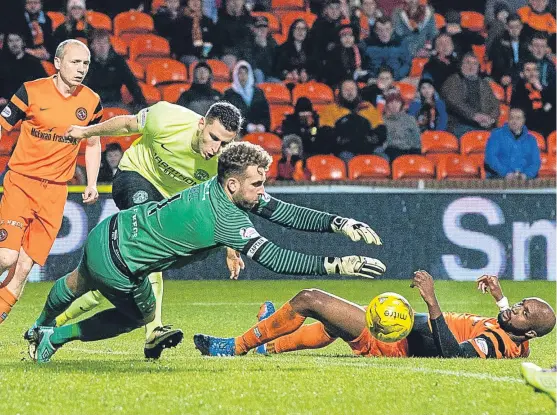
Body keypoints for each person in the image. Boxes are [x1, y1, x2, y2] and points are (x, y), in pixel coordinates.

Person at [25, 141, 386, 363]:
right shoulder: (225, 217)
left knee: (74, 283)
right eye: (258, 183)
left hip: (109, 230)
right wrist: (338, 264)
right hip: (120, 268)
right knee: (138, 316)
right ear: (234, 183)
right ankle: (55, 337)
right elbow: (277, 258)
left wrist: (339, 224)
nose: (263, 191)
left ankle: (39, 325)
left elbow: (284, 212)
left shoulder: (218, 187)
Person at [56, 100, 244, 359]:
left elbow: (225, 204)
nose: (216, 149)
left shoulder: (223, 163)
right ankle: (154, 330)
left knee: (126, 272)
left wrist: (231, 248)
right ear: (201, 123)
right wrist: (85, 132)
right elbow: (126, 124)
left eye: (225, 144)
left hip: (168, 204)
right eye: (213, 138)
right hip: (134, 177)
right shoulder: (167, 117)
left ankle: (55, 323)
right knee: (148, 243)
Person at [193, 271, 556, 358]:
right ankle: (266, 344)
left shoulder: (496, 343)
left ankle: (234, 346)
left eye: (523, 313)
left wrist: (432, 302)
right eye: (521, 304)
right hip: (405, 328)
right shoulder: (516, 331)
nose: (515, 311)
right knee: (332, 322)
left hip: (393, 340)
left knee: (310, 298)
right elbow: (511, 319)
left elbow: (455, 353)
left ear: (532, 334)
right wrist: (500, 298)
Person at [0, 39, 102, 324]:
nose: (81, 69)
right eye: (75, 62)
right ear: (57, 63)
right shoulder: (31, 91)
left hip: (56, 193)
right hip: (21, 182)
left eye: (85, 64)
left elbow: (92, 142)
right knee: (6, 257)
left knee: (21, 271)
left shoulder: (91, 101)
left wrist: (91, 181)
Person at [85, 29, 146, 110]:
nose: (102, 46)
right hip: (94, 105)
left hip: (115, 102)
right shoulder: (86, 63)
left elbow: (132, 83)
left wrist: (141, 103)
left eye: (105, 42)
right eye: (98, 43)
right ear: (92, 46)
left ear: (109, 44)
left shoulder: (118, 61)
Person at [441, 53, 500, 137]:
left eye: (475, 63)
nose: (471, 66)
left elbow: (495, 105)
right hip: (461, 125)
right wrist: (474, 115)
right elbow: (455, 102)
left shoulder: (484, 84)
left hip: (485, 125)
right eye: (468, 63)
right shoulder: (453, 80)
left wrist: (490, 119)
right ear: (461, 65)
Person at [485, 107, 541, 179]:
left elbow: (535, 162)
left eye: (518, 118)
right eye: (511, 118)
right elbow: (491, 158)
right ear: (508, 120)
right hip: (499, 177)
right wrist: (505, 173)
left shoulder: (531, 140)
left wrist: (526, 175)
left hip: (525, 179)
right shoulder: (496, 135)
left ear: (523, 120)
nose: (514, 121)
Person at [0, 32, 47, 106]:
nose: (14, 44)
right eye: (10, 41)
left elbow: (44, 84)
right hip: (9, 105)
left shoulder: (33, 62)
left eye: (17, 40)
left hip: (32, 103)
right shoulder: (3, 63)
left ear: (23, 42)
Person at [511, 59, 556, 136]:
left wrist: (541, 89)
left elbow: (553, 104)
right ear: (522, 74)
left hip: (548, 129)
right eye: (528, 70)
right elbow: (528, 117)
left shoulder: (542, 89)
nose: (532, 73)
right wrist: (546, 108)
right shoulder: (518, 91)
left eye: (535, 70)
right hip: (530, 131)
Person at [223, 61, 270, 133]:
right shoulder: (229, 94)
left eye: (245, 73)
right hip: (238, 132)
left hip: (259, 131)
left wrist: (262, 126)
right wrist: (247, 127)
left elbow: (265, 114)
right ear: (235, 75)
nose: (243, 76)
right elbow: (229, 117)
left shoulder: (259, 92)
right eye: (240, 73)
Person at [379, 88, 422, 161]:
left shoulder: (410, 119)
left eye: (397, 101)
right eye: (391, 102)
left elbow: (416, 139)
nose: (394, 104)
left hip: (410, 150)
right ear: (387, 105)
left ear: (401, 103)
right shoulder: (382, 120)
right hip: (392, 151)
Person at [489, 13, 529, 88]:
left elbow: (526, 61)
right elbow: (498, 63)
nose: (514, 30)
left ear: (521, 27)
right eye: (511, 27)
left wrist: (515, 75)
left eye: (517, 27)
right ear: (506, 27)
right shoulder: (499, 41)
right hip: (503, 76)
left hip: (521, 75)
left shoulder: (526, 42)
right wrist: (507, 76)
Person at [273, 19, 312, 84]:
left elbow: (315, 68)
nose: (300, 32)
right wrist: (287, 74)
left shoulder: (311, 49)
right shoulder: (282, 48)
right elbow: (277, 69)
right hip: (289, 82)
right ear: (292, 31)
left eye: (303, 29)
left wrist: (307, 74)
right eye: (298, 28)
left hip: (308, 83)